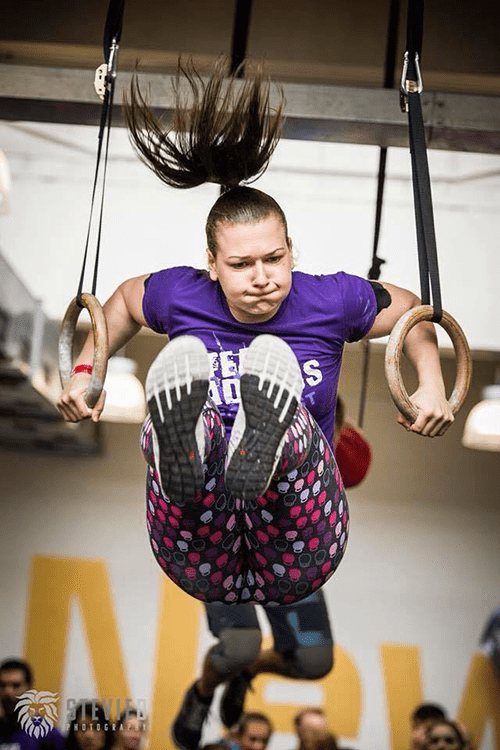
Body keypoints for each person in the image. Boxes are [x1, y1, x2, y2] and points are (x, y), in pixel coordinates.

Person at [57, 58, 453, 605]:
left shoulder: (330, 300)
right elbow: (124, 299)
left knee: (286, 417)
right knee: (175, 425)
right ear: (212, 264)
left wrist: (430, 382)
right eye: (242, 265)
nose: (263, 278)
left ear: (293, 251)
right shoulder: (183, 294)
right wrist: (85, 373)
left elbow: (410, 309)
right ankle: (188, 443)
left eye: (274, 258)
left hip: (302, 548)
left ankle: (262, 441)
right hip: (196, 554)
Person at [171, 400, 368, 750]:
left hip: (286, 562)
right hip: (226, 554)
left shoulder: (313, 431)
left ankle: (250, 671)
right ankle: (200, 696)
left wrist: (334, 425)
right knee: (240, 646)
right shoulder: (231, 421)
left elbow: (354, 469)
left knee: (314, 658)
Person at [0, 658, 65, 750]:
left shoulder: (47, 734)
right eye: (2, 685)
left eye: (16, 685)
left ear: (28, 688)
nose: (8, 692)